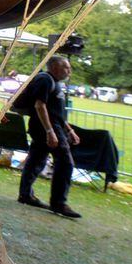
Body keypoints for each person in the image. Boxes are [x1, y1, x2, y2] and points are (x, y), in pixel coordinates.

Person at [14, 56, 82, 219]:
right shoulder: (45, 80)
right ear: (54, 67)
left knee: (36, 160)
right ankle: (58, 202)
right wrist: (50, 132)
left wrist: (70, 130)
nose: (69, 71)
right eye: (66, 67)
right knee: (65, 162)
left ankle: (26, 195)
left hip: (50, 127)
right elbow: (40, 105)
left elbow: (56, 112)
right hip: (46, 128)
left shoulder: (54, 82)